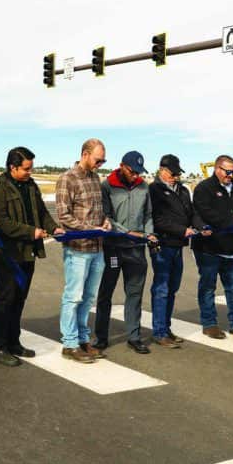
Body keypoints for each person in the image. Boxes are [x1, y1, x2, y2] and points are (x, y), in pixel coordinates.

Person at [0, 146, 63, 366]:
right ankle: (0, 347)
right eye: (26, 168)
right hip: (8, 255)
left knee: (19, 300)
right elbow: (2, 222)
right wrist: (32, 232)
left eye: (31, 168)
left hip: (28, 254)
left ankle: (14, 342)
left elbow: (42, 213)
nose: (30, 172)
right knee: (5, 300)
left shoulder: (31, 186)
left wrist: (53, 228)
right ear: (13, 167)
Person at [56, 139, 112, 362]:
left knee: (89, 298)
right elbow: (64, 216)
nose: (101, 164)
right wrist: (91, 229)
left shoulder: (96, 178)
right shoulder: (67, 178)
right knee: (74, 297)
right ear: (85, 154)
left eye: (103, 160)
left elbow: (98, 211)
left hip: (97, 249)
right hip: (78, 250)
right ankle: (69, 343)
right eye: (99, 160)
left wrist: (105, 222)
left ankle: (83, 339)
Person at [95, 151, 156, 354]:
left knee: (135, 293)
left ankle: (134, 336)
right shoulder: (107, 187)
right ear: (122, 166)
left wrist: (148, 234)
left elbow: (148, 215)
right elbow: (106, 217)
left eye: (139, 172)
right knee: (106, 293)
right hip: (113, 248)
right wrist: (127, 233)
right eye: (132, 171)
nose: (135, 175)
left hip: (136, 250)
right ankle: (102, 337)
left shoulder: (143, 186)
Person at [191, 155, 233, 339]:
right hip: (209, 248)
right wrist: (231, 222)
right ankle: (209, 323)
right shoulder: (204, 188)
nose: (230, 175)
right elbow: (206, 213)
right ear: (217, 169)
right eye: (227, 171)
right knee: (208, 287)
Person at [147, 155, 195, 348]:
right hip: (162, 245)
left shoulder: (183, 190)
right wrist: (182, 230)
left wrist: (198, 226)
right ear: (162, 171)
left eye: (177, 173)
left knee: (173, 288)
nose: (175, 177)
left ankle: (166, 328)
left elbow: (190, 213)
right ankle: (159, 332)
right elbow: (157, 219)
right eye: (172, 173)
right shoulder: (154, 190)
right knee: (161, 288)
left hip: (178, 245)